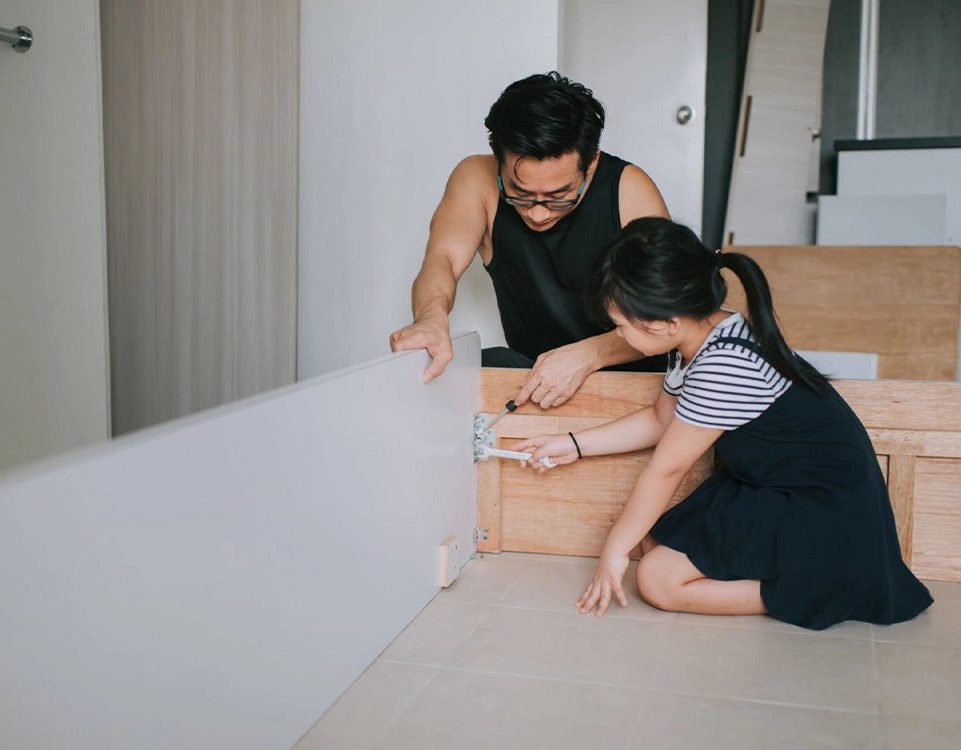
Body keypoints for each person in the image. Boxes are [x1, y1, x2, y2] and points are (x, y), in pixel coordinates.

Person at [513, 217, 933, 631]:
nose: (618, 337)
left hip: (817, 502)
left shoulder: (724, 364)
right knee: (651, 541)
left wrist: (612, 552)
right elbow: (662, 419)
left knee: (657, 581)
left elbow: (666, 469)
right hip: (770, 483)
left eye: (621, 325)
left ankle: (826, 586)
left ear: (666, 322)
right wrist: (572, 444)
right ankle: (804, 573)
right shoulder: (704, 330)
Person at [389, 72, 670, 409]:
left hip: (639, 384)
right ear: (497, 155)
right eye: (519, 193)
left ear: (591, 162)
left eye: (560, 196)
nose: (537, 214)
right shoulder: (476, 178)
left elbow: (669, 315)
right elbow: (444, 257)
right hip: (538, 382)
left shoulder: (629, 190)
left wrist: (588, 355)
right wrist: (431, 318)